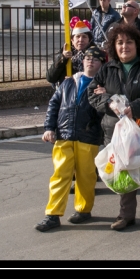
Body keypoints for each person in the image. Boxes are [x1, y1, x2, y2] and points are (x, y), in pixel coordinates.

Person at [88, 23, 140, 232]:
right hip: (117, 132)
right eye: (119, 43)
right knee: (123, 172)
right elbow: (92, 95)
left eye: (129, 42)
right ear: (113, 46)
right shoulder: (107, 69)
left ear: (138, 44)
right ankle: (126, 215)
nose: (124, 46)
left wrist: (134, 108)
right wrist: (110, 102)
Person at [35, 46, 106, 232]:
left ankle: (83, 210)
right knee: (60, 175)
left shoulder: (102, 86)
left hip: (88, 137)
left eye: (96, 59)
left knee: (86, 176)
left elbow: (105, 113)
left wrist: (105, 95)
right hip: (64, 135)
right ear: (82, 61)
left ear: (102, 64)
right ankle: (52, 214)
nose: (91, 61)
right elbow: (54, 104)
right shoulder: (68, 83)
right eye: (88, 58)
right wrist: (49, 128)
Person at [46, 18, 97, 87]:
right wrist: (62, 58)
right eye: (78, 36)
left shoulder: (96, 55)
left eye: (84, 37)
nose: (81, 40)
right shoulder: (64, 53)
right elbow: (50, 78)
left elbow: (99, 78)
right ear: (72, 40)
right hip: (66, 93)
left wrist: (76, 79)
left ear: (89, 40)